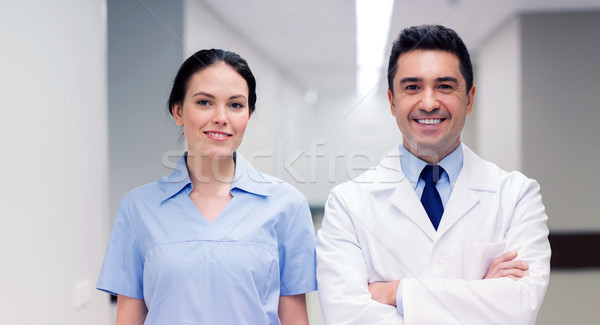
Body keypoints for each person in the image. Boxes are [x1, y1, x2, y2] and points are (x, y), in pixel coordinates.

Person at [316, 25, 550, 324]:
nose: (428, 103)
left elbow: (519, 308)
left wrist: (398, 293)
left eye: (445, 86)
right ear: (392, 101)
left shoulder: (517, 195)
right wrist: (482, 293)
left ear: (469, 99)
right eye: (412, 87)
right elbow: (345, 317)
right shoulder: (347, 204)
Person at [97, 49, 317, 324]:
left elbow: (294, 318)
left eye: (236, 105)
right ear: (178, 111)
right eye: (204, 102)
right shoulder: (137, 209)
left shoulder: (287, 205)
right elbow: (128, 319)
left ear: (249, 114)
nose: (221, 117)